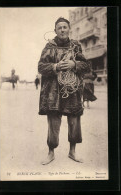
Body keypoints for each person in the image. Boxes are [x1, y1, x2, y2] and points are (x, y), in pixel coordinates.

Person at [38, 17, 90, 165]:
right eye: (59, 27)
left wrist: (74, 64)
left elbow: (86, 66)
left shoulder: (76, 46)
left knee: (74, 120)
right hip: (53, 92)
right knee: (53, 121)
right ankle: (51, 152)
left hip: (72, 91)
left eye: (65, 27)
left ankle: (72, 151)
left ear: (69, 29)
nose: (62, 30)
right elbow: (40, 67)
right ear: (55, 30)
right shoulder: (49, 46)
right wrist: (55, 67)